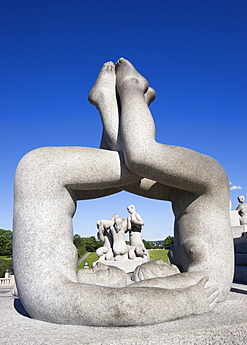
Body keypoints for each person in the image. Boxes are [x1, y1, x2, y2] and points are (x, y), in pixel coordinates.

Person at [14, 58, 231, 326]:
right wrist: (189, 301)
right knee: (136, 157)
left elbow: (123, 305)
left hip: (52, 278)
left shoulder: (51, 295)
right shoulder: (54, 295)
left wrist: (182, 299)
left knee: (132, 159)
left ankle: (121, 96)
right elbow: (123, 306)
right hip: (206, 273)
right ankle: (127, 91)